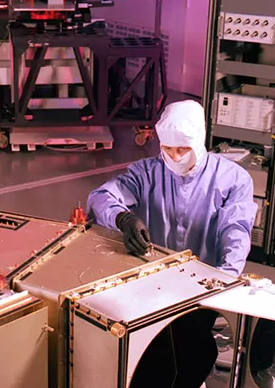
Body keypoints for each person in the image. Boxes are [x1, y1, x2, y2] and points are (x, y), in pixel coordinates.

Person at [87, 99, 257, 276]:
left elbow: (235, 231)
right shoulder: (146, 172)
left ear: (198, 142)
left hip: (204, 278)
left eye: (182, 149)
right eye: (167, 149)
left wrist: (225, 276)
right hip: (151, 274)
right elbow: (101, 197)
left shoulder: (233, 179)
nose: (174, 157)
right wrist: (123, 219)